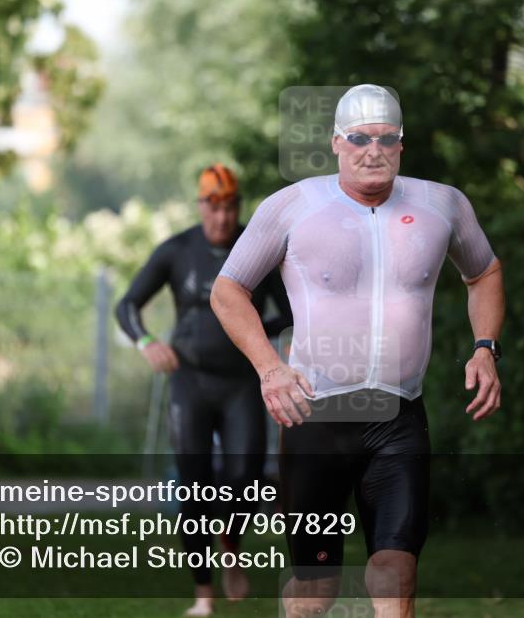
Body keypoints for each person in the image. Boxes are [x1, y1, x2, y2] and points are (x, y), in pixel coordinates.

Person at [210, 85, 505, 618]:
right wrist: (271, 370)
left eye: (387, 138)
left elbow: (483, 272)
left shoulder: (442, 204)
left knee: (396, 574)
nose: (374, 150)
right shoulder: (293, 206)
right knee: (314, 591)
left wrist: (485, 348)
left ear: (401, 145)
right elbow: (228, 290)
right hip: (316, 416)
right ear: (336, 143)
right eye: (361, 138)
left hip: (398, 418)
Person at [115, 164, 293, 617]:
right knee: (193, 488)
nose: (222, 219)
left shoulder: (255, 249)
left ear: (238, 207)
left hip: (240, 383)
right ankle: (203, 595)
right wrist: (147, 341)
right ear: (201, 207)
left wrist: (257, 334)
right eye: (214, 209)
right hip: (190, 382)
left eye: (231, 208)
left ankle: (230, 543)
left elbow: (291, 310)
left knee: (245, 480)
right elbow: (127, 304)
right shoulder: (178, 251)